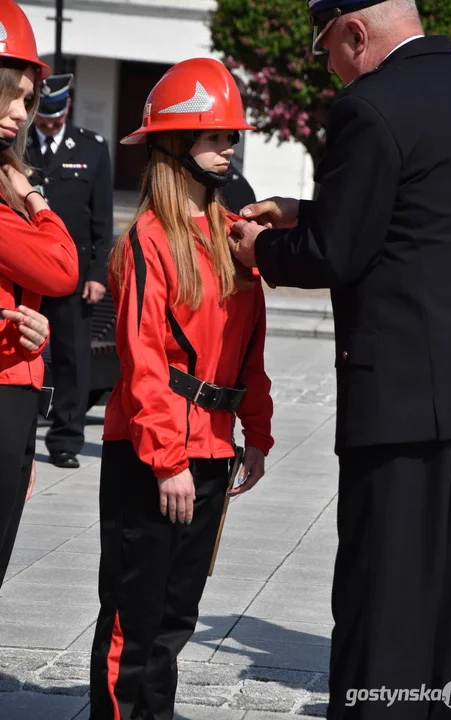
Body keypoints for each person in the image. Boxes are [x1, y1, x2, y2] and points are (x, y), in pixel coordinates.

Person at [229, 0, 451, 718]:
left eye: (327, 51)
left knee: (385, 599)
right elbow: (423, 210)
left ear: (354, 32)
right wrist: (303, 208)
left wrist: (262, 248)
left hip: (400, 403)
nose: (329, 70)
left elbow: (339, 251)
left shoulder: (368, 108)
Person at [89, 57, 273, 720]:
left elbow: (247, 350)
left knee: (175, 617)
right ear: (175, 144)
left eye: (231, 137)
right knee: (133, 620)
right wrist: (167, 458)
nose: (229, 150)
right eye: (214, 138)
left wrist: (256, 433)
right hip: (152, 451)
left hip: (213, 451)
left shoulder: (233, 238)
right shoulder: (147, 240)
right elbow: (141, 360)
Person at [0, 0, 78, 587]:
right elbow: (60, 268)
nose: (19, 113)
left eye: (27, 100)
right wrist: (35, 200)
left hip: (18, 386)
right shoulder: (13, 193)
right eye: (10, 93)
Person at [26, 73, 114, 469]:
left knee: (72, 360)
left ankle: (65, 440)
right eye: (41, 116)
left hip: (72, 274)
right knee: (21, 353)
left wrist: (97, 273)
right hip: (26, 269)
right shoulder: (17, 144)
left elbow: (102, 220)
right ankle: (21, 433)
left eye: (54, 117)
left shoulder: (92, 149)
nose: (46, 124)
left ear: (67, 109)